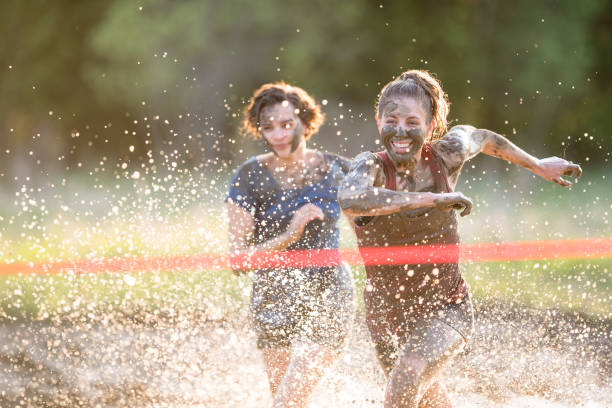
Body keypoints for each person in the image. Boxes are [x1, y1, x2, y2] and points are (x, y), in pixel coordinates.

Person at [337, 69, 582, 408]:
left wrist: (537, 164)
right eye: (392, 119)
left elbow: (482, 138)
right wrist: (433, 200)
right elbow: (351, 199)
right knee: (425, 399)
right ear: (379, 122)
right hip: (385, 317)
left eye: (412, 121)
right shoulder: (369, 166)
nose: (401, 130)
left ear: (432, 123)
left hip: (445, 308)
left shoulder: (447, 154)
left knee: (405, 381)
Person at [226, 82, 354, 408]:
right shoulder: (248, 176)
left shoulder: (339, 170)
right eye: (268, 128)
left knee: (288, 401)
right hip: (273, 296)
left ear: (306, 123)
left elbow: (371, 234)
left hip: (329, 291)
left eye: (286, 125)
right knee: (285, 401)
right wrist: (288, 237)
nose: (278, 135)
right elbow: (237, 261)